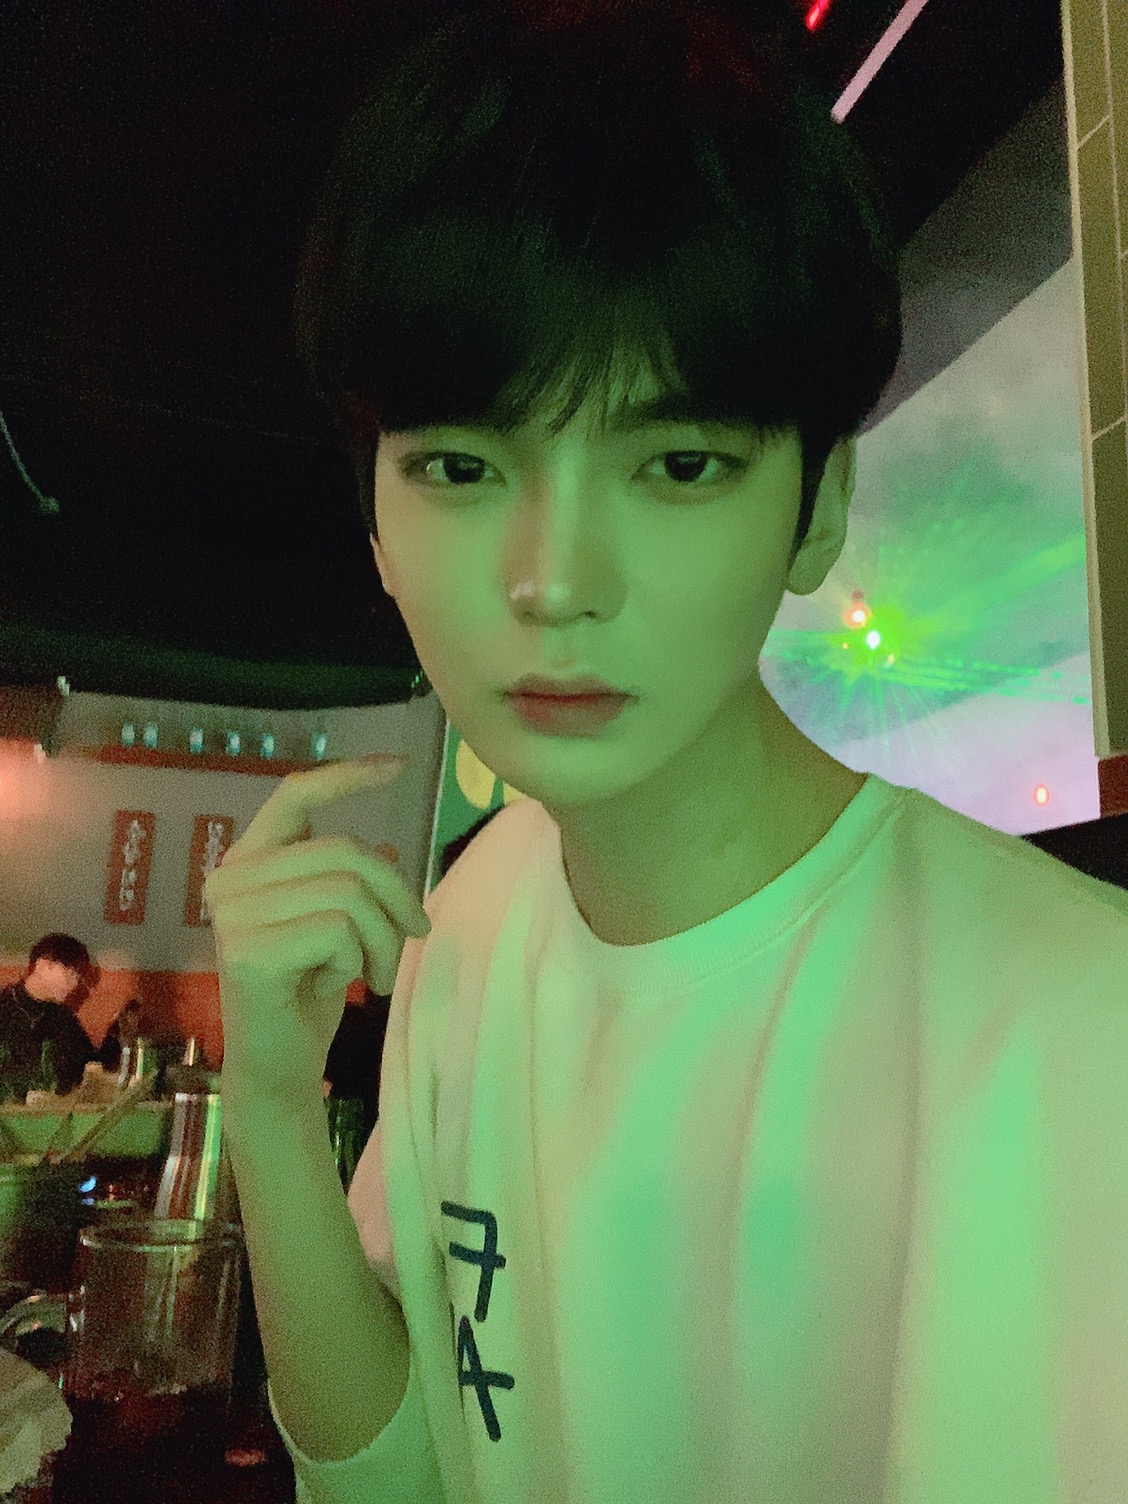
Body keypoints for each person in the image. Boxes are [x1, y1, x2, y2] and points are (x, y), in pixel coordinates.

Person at [206, 2, 1128, 1500]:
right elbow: (396, 1475)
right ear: (374, 519)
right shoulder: (467, 924)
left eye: (679, 463)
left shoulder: (1075, 1025)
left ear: (819, 509)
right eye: (461, 465)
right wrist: (264, 1105)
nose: (553, 580)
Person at [0, 934, 99, 1103]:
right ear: (42, 965)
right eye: (69, 973)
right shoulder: (4, 1008)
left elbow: (90, 1066)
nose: (74, 983)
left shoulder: (65, 1019)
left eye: (77, 976)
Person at [95, 998, 143, 1074]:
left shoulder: (137, 1040)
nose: (136, 1020)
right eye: (133, 1015)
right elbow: (112, 1070)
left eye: (137, 1016)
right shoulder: (112, 1041)